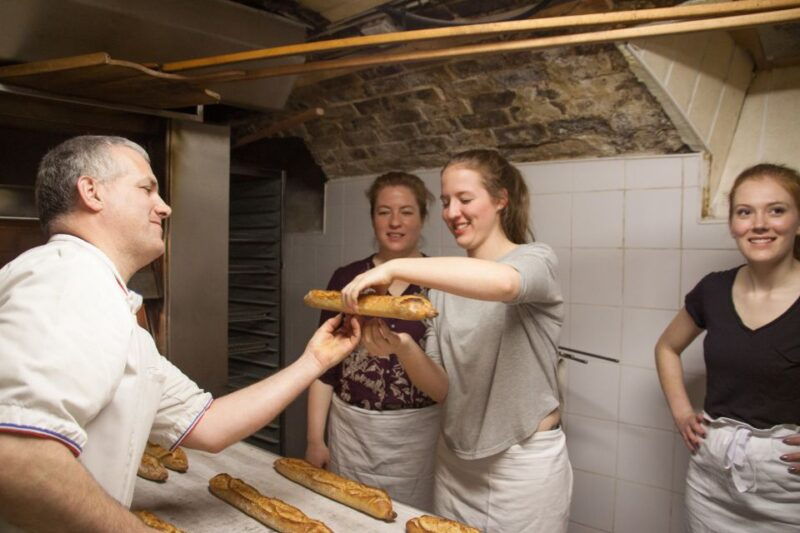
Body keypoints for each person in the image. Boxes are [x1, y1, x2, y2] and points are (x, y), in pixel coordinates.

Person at [0, 135, 361, 532]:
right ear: (92, 192)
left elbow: (209, 425)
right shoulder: (70, 277)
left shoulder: (111, 307)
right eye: (146, 188)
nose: (164, 206)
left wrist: (314, 361)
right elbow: (16, 456)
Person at [340, 149, 572, 532]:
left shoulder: (535, 259)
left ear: (500, 200)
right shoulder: (443, 287)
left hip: (521, 464)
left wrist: (395, 265)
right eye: (446, 201)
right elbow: (442, 388)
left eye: (465, 199)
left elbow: (505, 284)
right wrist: (401, 346)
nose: (452, 212)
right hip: (455, 465)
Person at [655, 163, 800, 532]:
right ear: (733, 224)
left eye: (776, 210)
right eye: (745, 212)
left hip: (790, 492)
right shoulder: (713, 290)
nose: (759, 224)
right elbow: (667, 347)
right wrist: (682, 412)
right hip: (712, 483)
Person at [305, 171, 441, 510]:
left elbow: (451, 375)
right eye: (384, 212)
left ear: (422, 218)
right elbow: (325, 368)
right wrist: (314, 440)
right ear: (372, 218)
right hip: (352, 433)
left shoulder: (442, 282)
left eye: (406, 212)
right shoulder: (347, 279)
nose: (395, 222)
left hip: (417, 437)